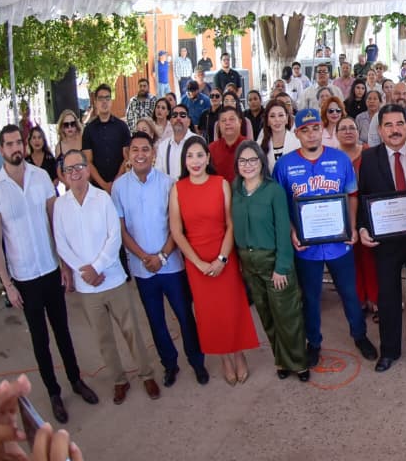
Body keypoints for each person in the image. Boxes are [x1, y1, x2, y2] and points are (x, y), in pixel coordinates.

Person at [0, 126, 99, 422]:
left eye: (18, 142)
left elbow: (54, 221)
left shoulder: (40, 178)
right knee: (40, 339)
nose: (15, 148)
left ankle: (75, 380)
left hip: (50, 270)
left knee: (63, 331)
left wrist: (64, 264)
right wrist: (8, 284)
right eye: (9, 144)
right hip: (24, 278)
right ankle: (54, 393)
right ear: (2, 149)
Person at [53, 148, 160, 404]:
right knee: (104, 338)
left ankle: (146, 374)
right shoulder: (60, 206)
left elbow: (114, 237)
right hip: (87, 286)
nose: (75, 173)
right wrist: (85, 272)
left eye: (79, 167)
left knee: (131, 330)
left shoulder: (102, 199)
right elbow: (61, 244)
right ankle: (119, 380)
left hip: (112, 279)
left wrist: (98, 267)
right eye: (69, 169)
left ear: (88, 170)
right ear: (64, 175)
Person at [273, 109, 379, 367]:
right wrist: (291, 230)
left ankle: (359, 335)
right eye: (305, 130)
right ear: (296, 133)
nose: (311, 134)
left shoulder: (340, 159)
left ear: (322, 129)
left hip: (338, 243)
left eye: (315, 128)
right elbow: (280, 205)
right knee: (310, 298)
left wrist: (351, 226)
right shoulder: (284, 165)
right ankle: (314, 342)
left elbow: (352, 195)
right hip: (306, 247)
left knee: (349, 293)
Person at [113, 131, 208, 387]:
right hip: (142, 268)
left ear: (153, 154)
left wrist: (162, 256)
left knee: (185, 316)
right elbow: (122, 230)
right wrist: (145, 257)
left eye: (145, 149)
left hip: (172, 266)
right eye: (135, 150)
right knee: (156, 321)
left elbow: (177, 226)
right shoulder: (119, 187)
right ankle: (170, 364)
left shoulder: (168, 184)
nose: (140, 154)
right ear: (128, 154)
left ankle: (197, 361)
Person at [169, 136, 260, 385]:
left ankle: (238, 352)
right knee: (209, 313)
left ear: (208, 158)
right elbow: (177, 231)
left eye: (200, 155)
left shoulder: (221, 183)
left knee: (232, 308)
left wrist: (222, 258)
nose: (195, 161)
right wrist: (198, 263)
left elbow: (231, 224)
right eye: (190, 156)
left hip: (224, 256)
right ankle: (224, 358)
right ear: (184, 161)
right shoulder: (178, 189)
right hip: (196, 262)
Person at [357, 105, 406, 370]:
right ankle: (389, 350)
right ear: (380, 130)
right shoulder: (369, 159)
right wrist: (362, 228)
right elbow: (364, 198)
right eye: (388, 125)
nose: (395, 130)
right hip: (386, 241)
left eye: (399, 123)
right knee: (388, 295)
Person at [231, 140, 309, 382]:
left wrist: (281, 267)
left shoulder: (273, 190)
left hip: (274, 261)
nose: (248, 165)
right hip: (249, 263)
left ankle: (299, 362)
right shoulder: (234, 189)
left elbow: (284, 230)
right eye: (243, 161)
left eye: (253, 160)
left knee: (287, 315)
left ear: (261, 162)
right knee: (266, 315)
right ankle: (281, 360)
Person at [79, 84, 130, 193]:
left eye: (107, 98)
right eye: (101, 98)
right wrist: (104, 185)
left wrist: (116, 181)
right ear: (95, 102)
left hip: (121, 184)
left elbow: (127, 157)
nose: (104, 102)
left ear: (111, 101)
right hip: (97, 187)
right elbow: (88, 161)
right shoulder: (89, 130)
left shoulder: (122, 127)